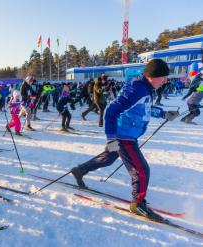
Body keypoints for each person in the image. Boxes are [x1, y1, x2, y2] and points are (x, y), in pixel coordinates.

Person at [71, 59, 179, 221]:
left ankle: (80, 170)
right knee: (141, 170)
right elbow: (111, 111)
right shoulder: (137, 89)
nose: (165, 81)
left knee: (107, 159)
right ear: (152, 76)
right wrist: (111, 139)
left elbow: (142, 109)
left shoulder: (144, 88)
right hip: (124, 136)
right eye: (163, 77)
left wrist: (163, 114)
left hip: (128, 134)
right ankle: (138, 204)